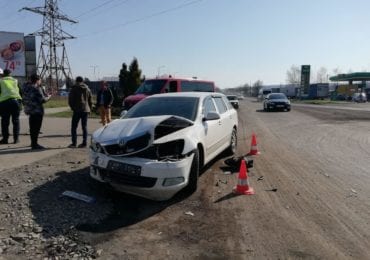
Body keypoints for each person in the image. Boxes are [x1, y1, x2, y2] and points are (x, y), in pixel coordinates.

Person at [22, 74, 50, 149]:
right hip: (37, 110)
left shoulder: (25, 87)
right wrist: (49, 97)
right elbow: (42, 100)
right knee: (36, 128)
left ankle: (32, 142)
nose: (41, 81)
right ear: (37, 80)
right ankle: (35, 144)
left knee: (32, 128)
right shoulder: (36, 88)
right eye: (40, 80)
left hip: (29, 109)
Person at [68, 76, 92, 148]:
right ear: (82, 81)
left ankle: (74, 143)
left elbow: (70, 100)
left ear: (76, 81)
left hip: (77, 110)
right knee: (84, 127)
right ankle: (84, 143)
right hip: (86, 110)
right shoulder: (87, 88)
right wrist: (89, 109)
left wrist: (73, 108)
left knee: (74, 127)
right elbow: (90, 100)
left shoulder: (74, 88)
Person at [0, 69, 22, 144]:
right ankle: (16, 139)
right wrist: (21, 103)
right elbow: (20, 91)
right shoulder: (15, 81)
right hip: (16, 102)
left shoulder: (1, 81)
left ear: (3, 74)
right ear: (10, 74)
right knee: (16, 121)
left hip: (4, 102)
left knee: (5, 121)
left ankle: (5, 139)